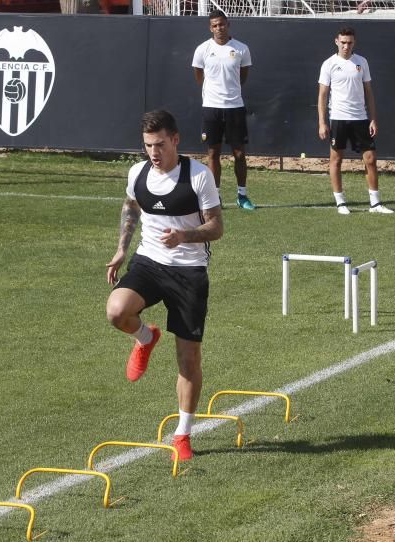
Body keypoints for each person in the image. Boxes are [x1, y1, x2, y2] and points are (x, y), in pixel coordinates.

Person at [105, 110, 224, 461]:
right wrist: (121, 250)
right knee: (116, 311)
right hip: (149, 263)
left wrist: (186, 235)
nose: (153, 153)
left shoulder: (198, 176)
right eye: (147, 146)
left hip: (188, 271)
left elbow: (216, 226)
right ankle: (145, 337)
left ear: (175, 139)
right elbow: (131, 206)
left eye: (159, 144)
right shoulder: (138, 172)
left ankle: (183, 434)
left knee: (188, 358)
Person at [317, 26, 393, 215]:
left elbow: (369, 92)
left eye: (349, 43)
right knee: (336, 159)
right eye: (343, 42)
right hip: (338, 118)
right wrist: (322, 122)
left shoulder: (362, 62)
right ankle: (340, 202)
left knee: (371, 159)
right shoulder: (329, 64)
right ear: (336, 41)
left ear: (354, 43)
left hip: (360, 118)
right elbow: (322, 95)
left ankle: (375, 204)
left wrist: (373, 119)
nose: (346, 46)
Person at [192, 10, 254, 210]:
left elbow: (242, 76)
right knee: (213, 153)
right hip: (211, 108)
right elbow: (199, 75)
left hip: (235, 108)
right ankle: (215, 197)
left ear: (228, 24)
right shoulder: (202, 49)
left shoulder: (241, 49)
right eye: (215, 25)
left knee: (239, 154)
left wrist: (231, 92)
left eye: (222, 24)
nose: (219, 28)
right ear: (210, 28)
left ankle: (242, 196)